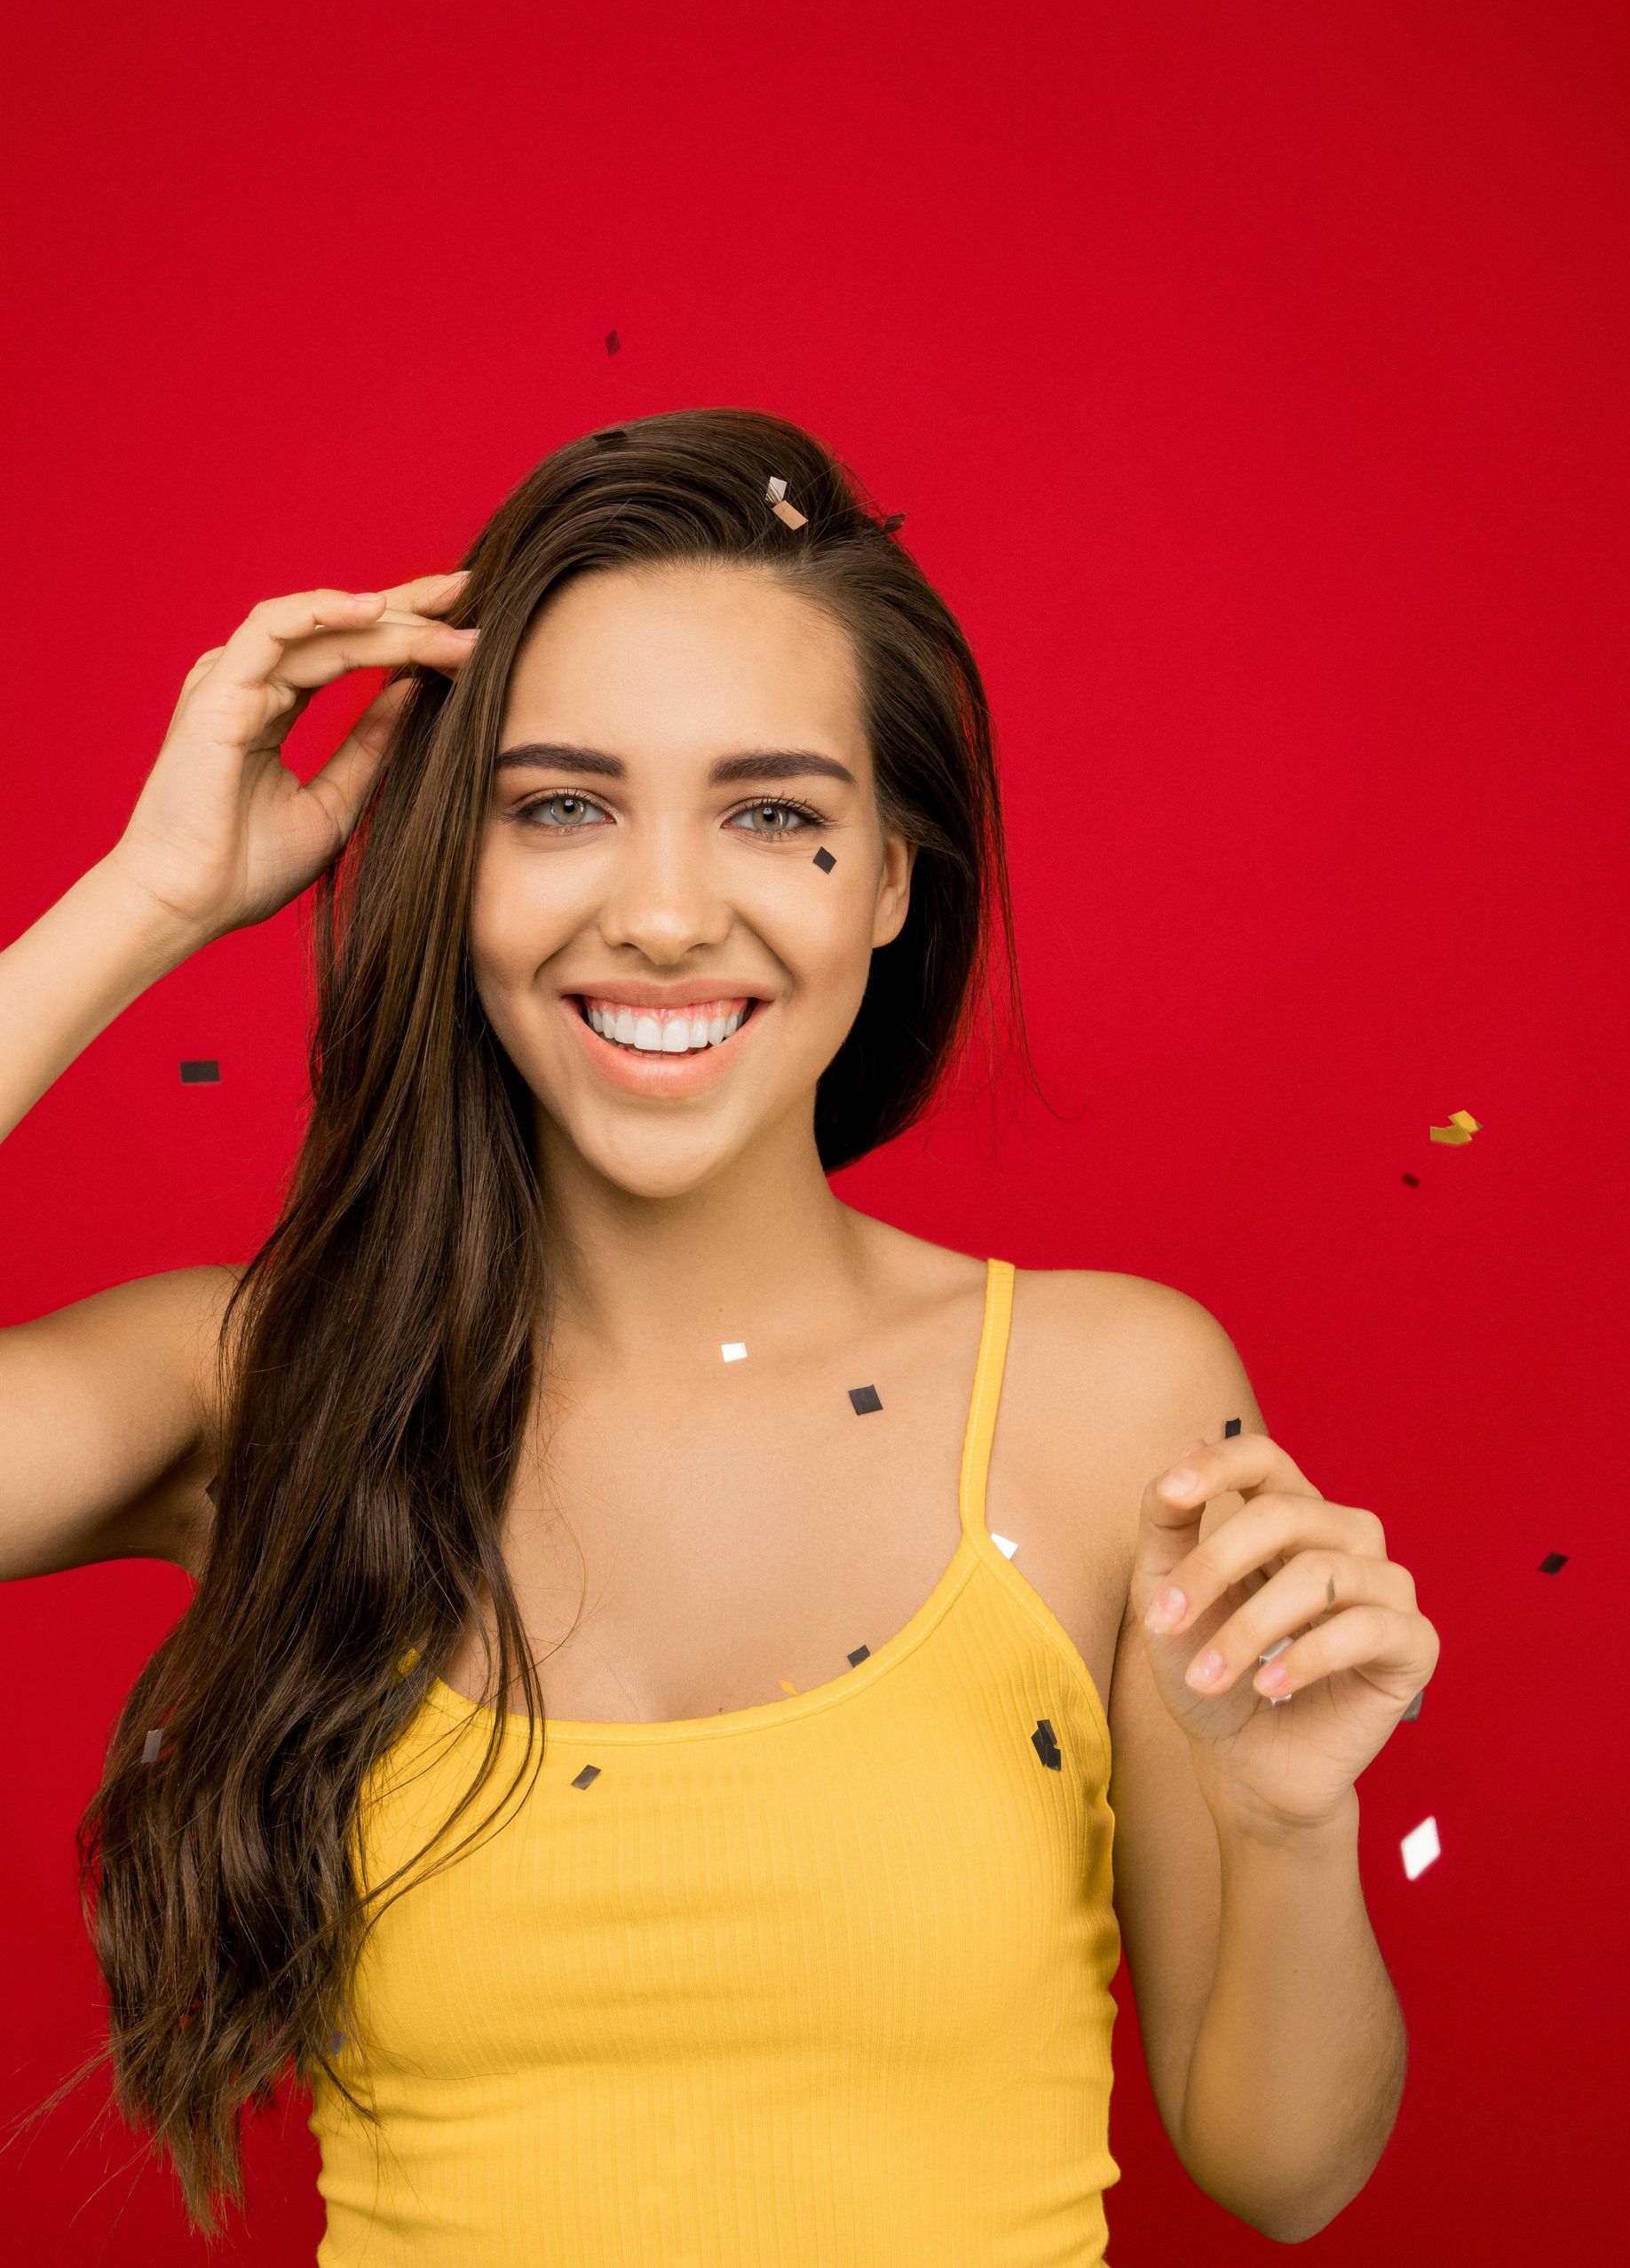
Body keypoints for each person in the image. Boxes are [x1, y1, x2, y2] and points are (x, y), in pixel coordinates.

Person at [0, 407, 1437, 2263]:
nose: (667, 913)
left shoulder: (1113, 1394)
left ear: (895, 880)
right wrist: (149, 899)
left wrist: (1289, 1824)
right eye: (560, 806)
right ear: (459, 872)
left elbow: (1287, 2166)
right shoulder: (268, 1383)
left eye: (773, 812)